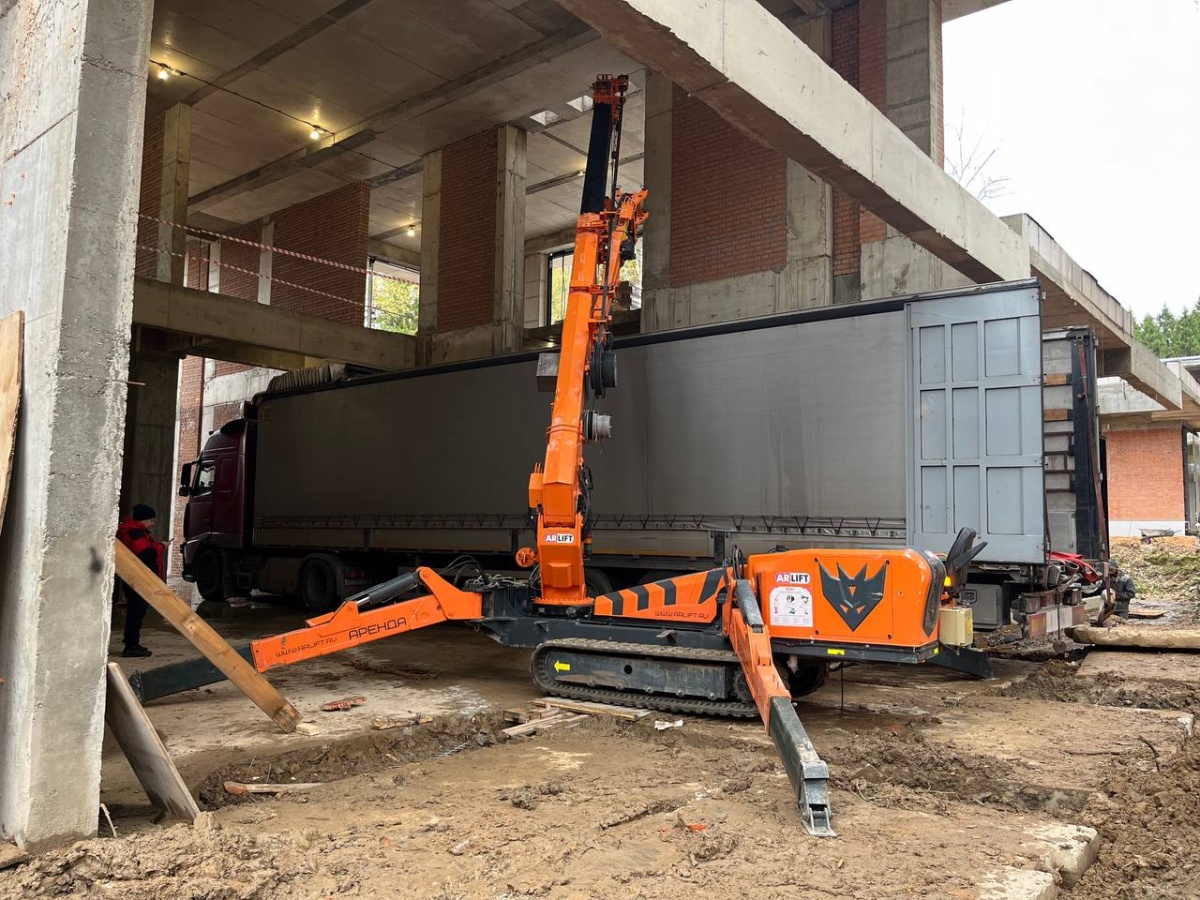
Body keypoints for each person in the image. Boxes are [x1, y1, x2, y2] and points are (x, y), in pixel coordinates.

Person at [115, 503, 165, 658]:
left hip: (131, 575)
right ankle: (132, 645)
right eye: (150, 520)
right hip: (138, 577)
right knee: (137, 611)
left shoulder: (129, 531)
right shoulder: (135, 532)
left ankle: (130, 640)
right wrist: (161, 547)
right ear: (143, 520)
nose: (152, 523)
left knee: (134, 610)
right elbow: (146, 554)